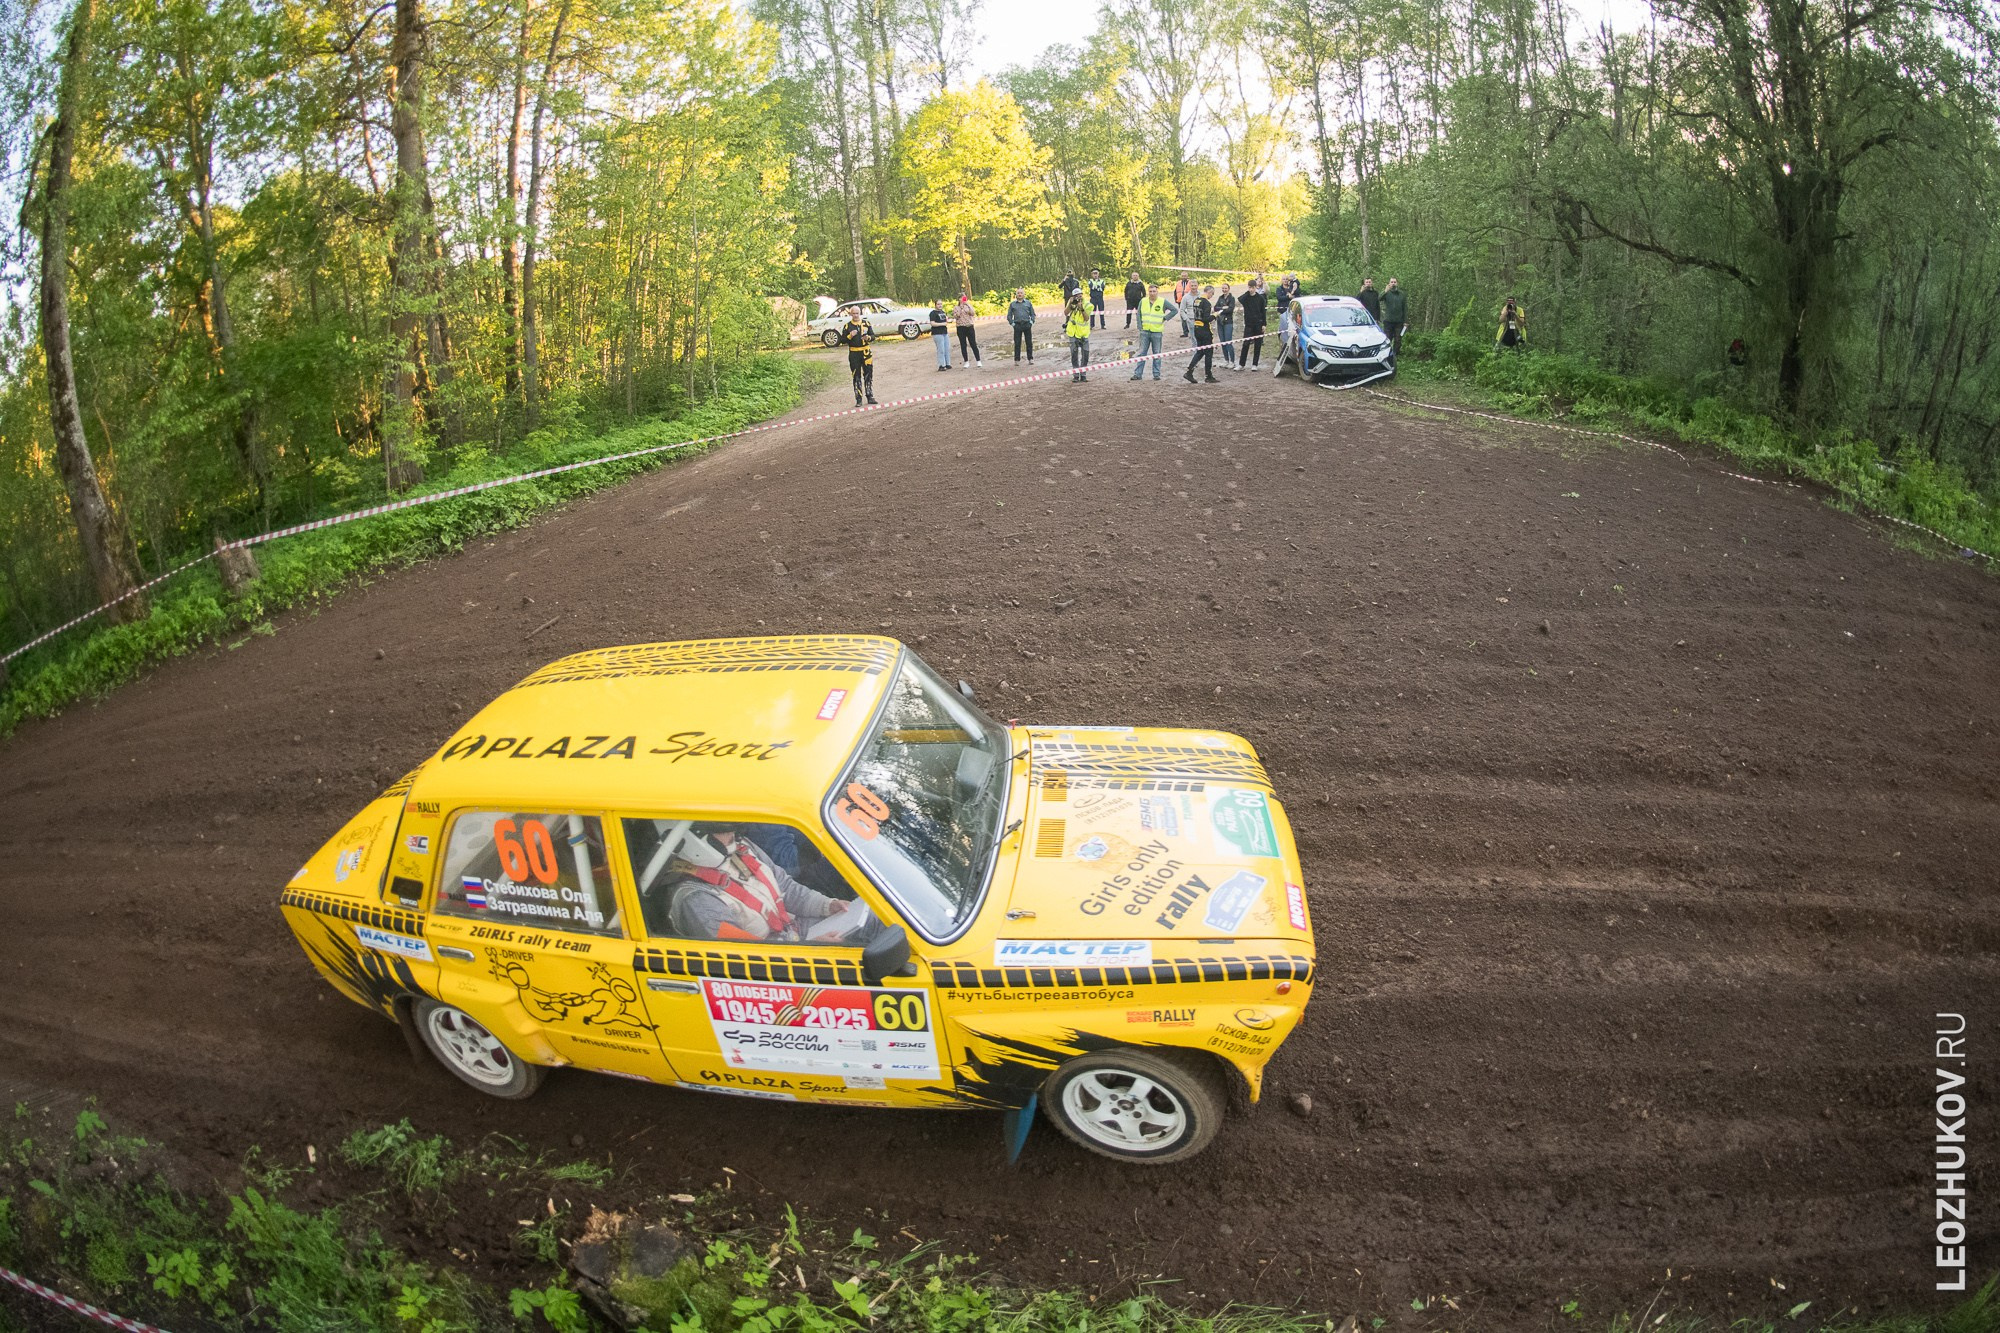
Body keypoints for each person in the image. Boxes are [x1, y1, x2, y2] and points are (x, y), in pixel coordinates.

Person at [654, 829, 850, 944]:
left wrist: (828, 905)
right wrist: (812, 949)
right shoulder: (697, 900)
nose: (733, 834)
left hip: (794, 935)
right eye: (723, 829)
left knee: (874, 920)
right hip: (779, 960)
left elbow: (785, 887)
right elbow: (747, 959)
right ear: (695, 836)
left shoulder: (741, 848)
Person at [1130, 282, 1177, 380]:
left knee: (1157, 353)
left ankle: (1156, 374)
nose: (1152, 293)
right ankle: (1138, 374)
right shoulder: (1143, 301)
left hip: (1157, 331)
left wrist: (1165, 318)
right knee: (1142, 353)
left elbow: (1174, 310)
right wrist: (1140, 326)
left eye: (1154, 291)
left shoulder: (1162, 301)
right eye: (1150, 291)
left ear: (1157, 292)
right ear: (1148, 292)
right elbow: (1139, 314)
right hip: (1145, 331)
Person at [839, 309, 877, 405]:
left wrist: (868, 337)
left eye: (857, 313)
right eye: (854, 314)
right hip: (854, 353)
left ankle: (870, 396)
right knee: (856, 376)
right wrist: (849, 336)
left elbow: (873, 336)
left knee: (868, 375)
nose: (855, 315)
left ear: (860, 313)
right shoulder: (847, 326)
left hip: (866, 352)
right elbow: (842, 340)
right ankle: (858, 399)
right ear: (851, 314)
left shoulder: (866, 323)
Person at [1183, 284, 1218, 384]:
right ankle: (1208, 376)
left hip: (1196, 328)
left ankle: (1189, 371)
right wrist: (1215, 315)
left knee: (1200, 352)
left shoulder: (1196, 300)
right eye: (1212, 294)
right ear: (1209, 292)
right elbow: (1206, 318)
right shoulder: (1206, 303)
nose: (1212, 296)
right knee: (1208, 353)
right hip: (1204, 330)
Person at [1236, 277, 1267, 370]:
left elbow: (1263, 312)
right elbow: (1240, 299)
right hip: (1248, 324)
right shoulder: (1246, 298)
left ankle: (1255, 364)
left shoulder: (1261, 298)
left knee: (1257, 345)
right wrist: (1247, 293)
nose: (1251, 289)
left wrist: (1264, 324)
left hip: (1258, 324)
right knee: (1246, 344)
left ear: (1256, 287)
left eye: (1253, 287)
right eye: (1249, 287)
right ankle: (1241, 364)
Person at [1064, 292, 1092, 382]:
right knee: (1074, 355)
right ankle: (1076, 375)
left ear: (1082, 295)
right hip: (1073, 333)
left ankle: (1083, 374)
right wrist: (1071, 304)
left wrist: (1081, 308)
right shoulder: (1071, 302)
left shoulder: (1088, 304)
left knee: (1085, 355)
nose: (1078, 297)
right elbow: (1066, 313)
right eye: (1076, 296)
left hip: (1083, 334)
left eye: (1079, 295)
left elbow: (1086, 318)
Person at [1006, 288, 1037, 362]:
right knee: (1017, 343)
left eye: (1021, 293)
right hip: (1017, 325)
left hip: (1027, 325)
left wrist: (1031, 322)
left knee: (1029, 343)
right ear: (1016, 295)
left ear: (1024, 294)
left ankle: (1030, 358)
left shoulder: (1028, 303)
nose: (1020, 294)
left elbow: (1033, 314)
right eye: (1018, 293)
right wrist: (1012, 323)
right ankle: (1017, 359)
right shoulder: (1012, 304)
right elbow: (1009, 316)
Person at [953, 293, 982, 369]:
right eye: (962, 298)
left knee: (973, 344)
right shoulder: (956, 307)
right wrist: (960, 308)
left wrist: (967, 305)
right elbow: (956, 316)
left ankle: (978, 360)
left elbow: (972, 313)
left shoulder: (969, 305)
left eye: (965, 298)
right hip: (961, 327)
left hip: (969, 326)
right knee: (963, 345)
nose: (964, 299)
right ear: (959, 299)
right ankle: (966, 361)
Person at [1379, 278, 1407, 353]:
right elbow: (1379, 298)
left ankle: (1395, 354)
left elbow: (1405, 308)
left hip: (1399, 321)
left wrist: (1405, 321)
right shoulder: (1387, 293)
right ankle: (1387, 354)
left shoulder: (1402, 294)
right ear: (1389, 283)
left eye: (1394, 282)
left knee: (1398, 339)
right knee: (1388, 339)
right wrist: (1385, 291)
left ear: (1397, 283)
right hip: (1388, 321)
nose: (1393, 283)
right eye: (1392, 282)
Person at [1214, 282, 1237, 368]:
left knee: (1228, 342)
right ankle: (1226, 360)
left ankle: (1232, 361)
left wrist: (1221, 309)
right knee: (1222, 342)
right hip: (1220, 322)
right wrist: (1223, 308)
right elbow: (1215, 308)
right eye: (1223, 288)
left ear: (1228, 289)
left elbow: (1230, 309)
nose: (1224, 290)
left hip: (1228, 322)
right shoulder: (1220, 298)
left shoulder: (1232, 298)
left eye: (1225, 288)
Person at [927, 296, 952, 371]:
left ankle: (948, 364)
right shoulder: (933, 313)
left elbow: (946, 320)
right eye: (938, 304)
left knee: (947, 348)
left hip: (945, 332)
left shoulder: (943, 312)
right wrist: (942, 324)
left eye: (941, 304)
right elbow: (932, 323)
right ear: (935, 305)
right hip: (937, 333)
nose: (940, 305)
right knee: (941, 349)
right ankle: (941, 365)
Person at [1174, 272, 1195, 338]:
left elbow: (1194, 292)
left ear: (1187, 276)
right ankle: (1185, 332)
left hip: (1189, 302)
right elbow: (1175, 292)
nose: (1184, 277)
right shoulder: (1178, 283)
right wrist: (1176, 300)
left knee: (1191, 317)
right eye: (1182, 276)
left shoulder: (1191, 283)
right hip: (1180, 302)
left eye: (1185, 276)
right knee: (1183, 318)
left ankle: (1193, 332)